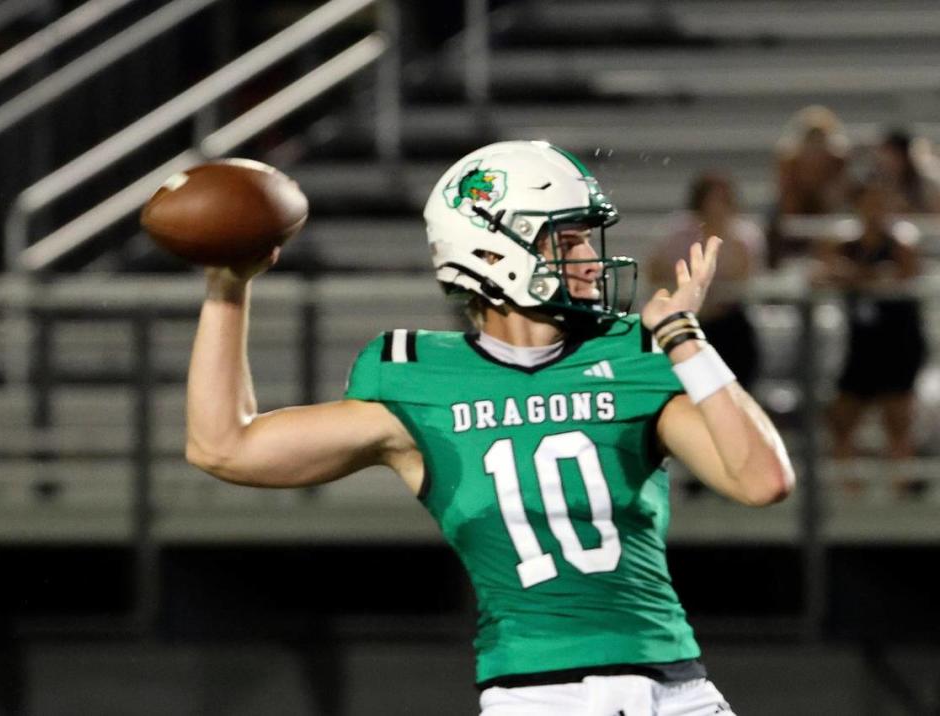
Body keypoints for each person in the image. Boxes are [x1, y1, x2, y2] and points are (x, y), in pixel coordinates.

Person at [186, 141, 795, 715]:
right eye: (570, 240)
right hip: (535, 699)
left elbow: (762, 480)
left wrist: (686, 340)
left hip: (677, 692)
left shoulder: (633, 355)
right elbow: (224, 446)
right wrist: (227, 287)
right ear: (493, 250)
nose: (590, 260)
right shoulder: (417, 379)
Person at [817, 178, 927, 496]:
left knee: (897, 420)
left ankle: (900, 489)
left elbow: (902, 273)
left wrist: (854, 276)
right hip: (861, 346)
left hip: (898, 344)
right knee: (842, 417)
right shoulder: (846, 243)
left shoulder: (902, 243)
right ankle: (849, 489)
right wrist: (857, 276)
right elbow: (823, 273)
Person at [650, 171, 765, 389]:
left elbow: (744, 279)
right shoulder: (676, 234)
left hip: (729, 323)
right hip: (687, 319)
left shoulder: (744, 236)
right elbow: (656, 274)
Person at [767, 105, 852, 266]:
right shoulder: (788, 161)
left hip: (825, 212)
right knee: (773, 221)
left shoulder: (838, 161)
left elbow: (837, 199)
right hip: (794, 211)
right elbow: (788, 203)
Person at [872, 129, 940, 214]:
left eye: (892, 155)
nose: (885, 161)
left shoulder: (927, 185)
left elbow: (935, 216)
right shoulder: (877, 185)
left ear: (904, 156)